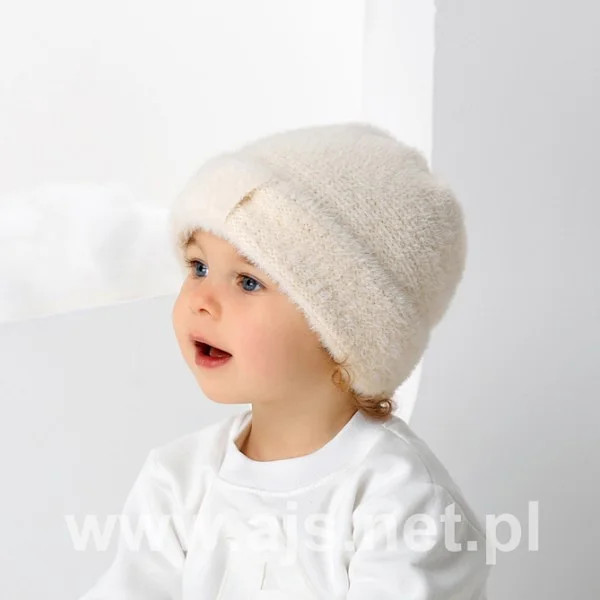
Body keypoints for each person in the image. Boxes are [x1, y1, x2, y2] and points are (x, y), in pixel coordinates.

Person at [79, 122, 492, 599]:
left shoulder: (401, 499)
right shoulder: (178, 480)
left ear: (344, 332)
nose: (201, 301)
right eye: (199, 267)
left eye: (248, 282)